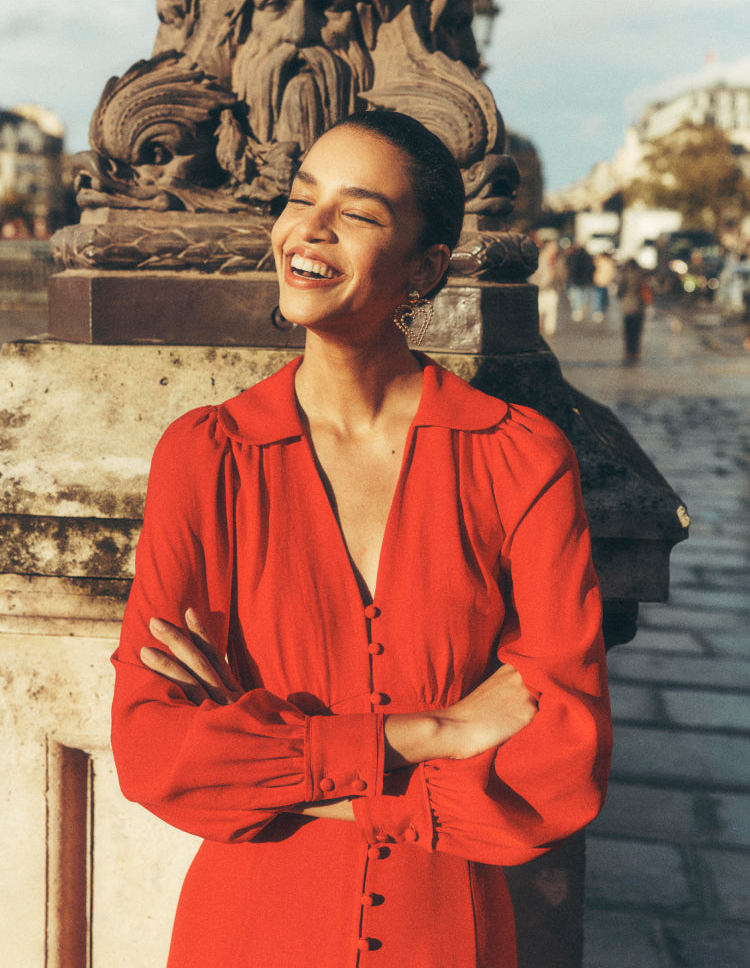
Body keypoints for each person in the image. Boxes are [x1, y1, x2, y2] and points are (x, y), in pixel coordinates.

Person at [111, 109, 612, 967]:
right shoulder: (205, 457)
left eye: (358, 212)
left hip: (447, 939)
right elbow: (156, 751)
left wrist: (279, 770)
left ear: (424, 269)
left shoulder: (520, 460)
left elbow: (561, 766)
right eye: (302, 197)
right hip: (250, 933)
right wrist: (431, 732)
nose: (309, 229)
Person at [617, 258, 651, 364]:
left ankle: (629, 352)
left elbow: (619, 292)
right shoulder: (642, 275)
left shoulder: (625, 276)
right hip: (639, 308)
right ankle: (636, 352)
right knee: (637, 332)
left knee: (628, 332)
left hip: (627, 308)